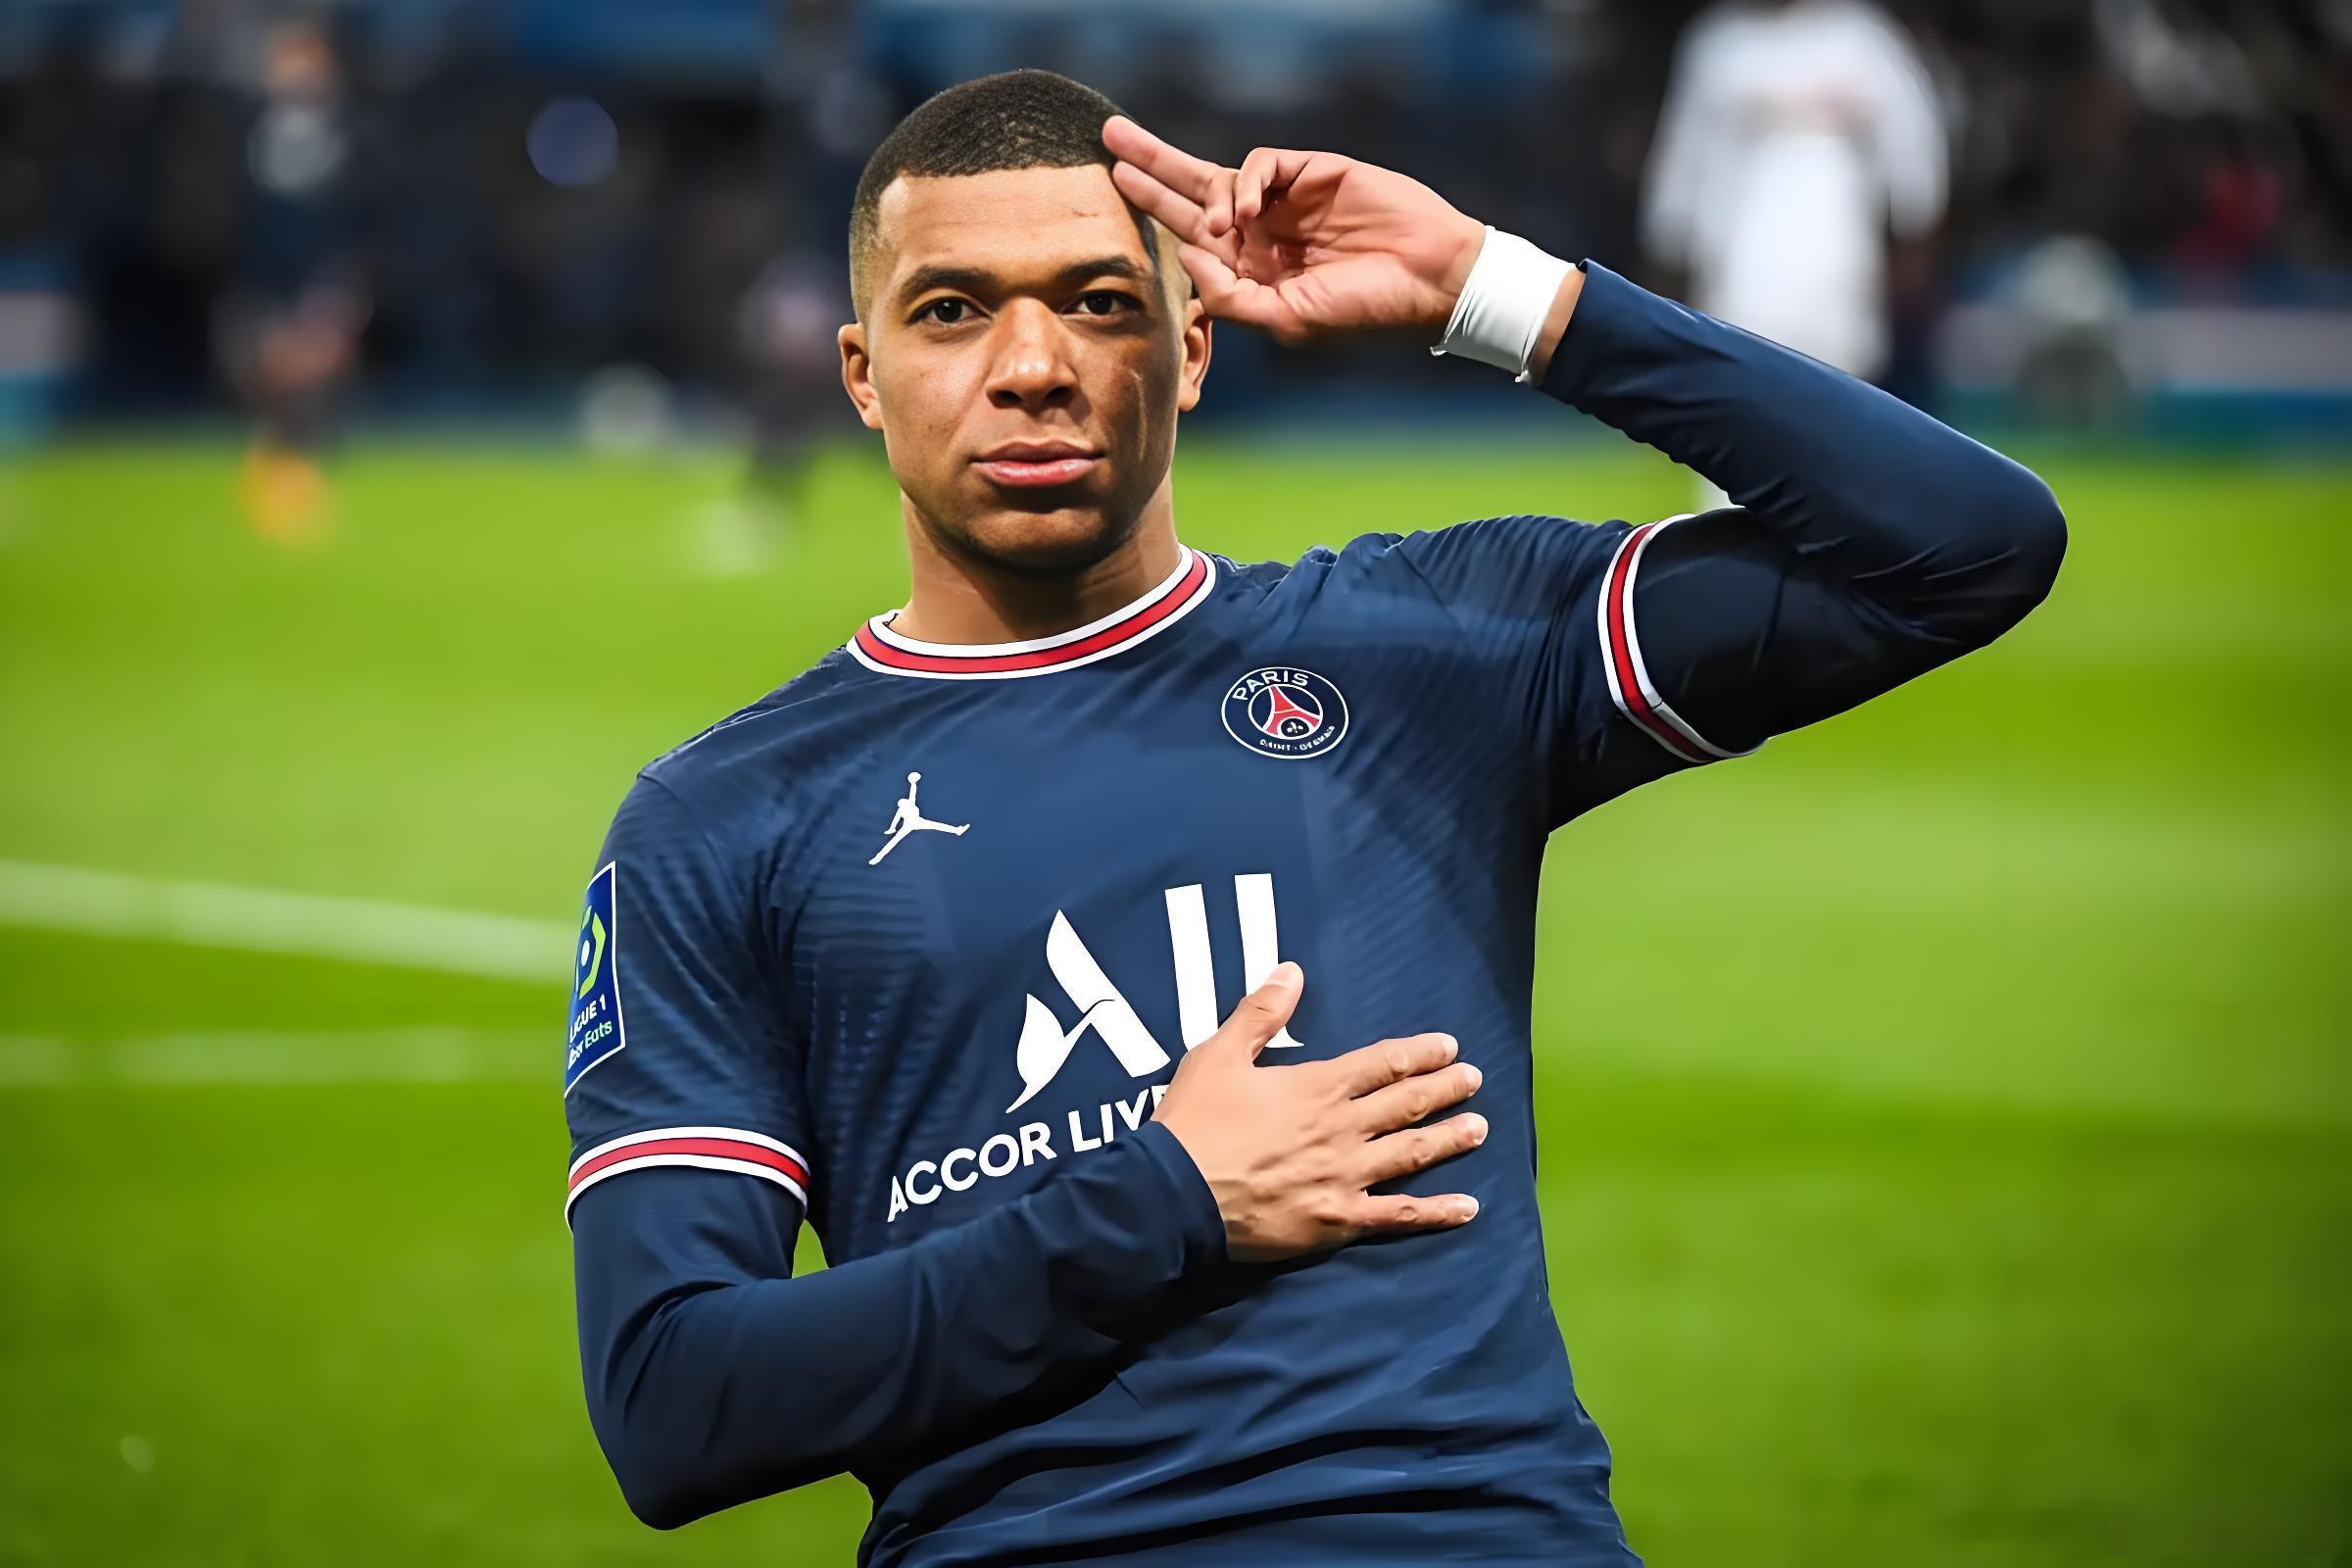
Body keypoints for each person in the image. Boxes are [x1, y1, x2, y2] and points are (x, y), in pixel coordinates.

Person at [563, 69, 2063, 1567]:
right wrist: (1164, 1203)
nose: (1031, 366)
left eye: (1099, 302)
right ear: (861, 373)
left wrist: (1493, 290)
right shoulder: (721, 822)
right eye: (952, 310)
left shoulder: (1430, 646)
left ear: (1190, 347)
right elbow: (673, 1406)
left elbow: (1967, 549)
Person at [1643, 0, 1946, 505]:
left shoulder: (1860, 39)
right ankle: (1722, 530)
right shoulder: (1720, 42)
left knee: (1838, 394)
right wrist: (1670, 238)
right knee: (1733, 388)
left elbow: (1912, 135)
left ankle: (1833, 528)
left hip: (1836, 245)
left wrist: (1914, 225)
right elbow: (1686, 147)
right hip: (1741, 248)